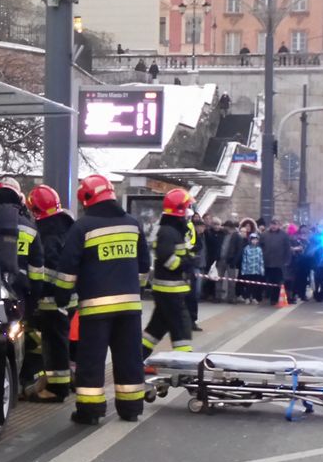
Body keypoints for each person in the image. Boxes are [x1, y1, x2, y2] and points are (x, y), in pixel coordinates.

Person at [51, 174, 151, 425]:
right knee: (129, 359)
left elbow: (67, 269)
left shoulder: (82, 227)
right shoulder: (132, 224)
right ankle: (131, 408)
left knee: (91, 362)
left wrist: (62, 297)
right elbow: (144, 265)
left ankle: (91, 411)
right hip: (130, 308)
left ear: (86, 197)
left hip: (96, 308)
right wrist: (132, 290)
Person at [0, 177, 44, 387]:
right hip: (18, 295)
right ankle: (19, 380)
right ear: (20, 199)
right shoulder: (30, 228)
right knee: (17, 337)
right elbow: (37, 271)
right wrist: (34, 301)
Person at [24, 184, 75, 402]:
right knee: (58, 342)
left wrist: (33, 289)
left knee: (55, 346)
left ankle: (57, 390)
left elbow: (48, 270)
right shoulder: (67, 226)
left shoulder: (47, 233)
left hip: (52, 300)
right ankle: (62, 382)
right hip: (69, 298)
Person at [141, 189, 196, 358]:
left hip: (170, 290)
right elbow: (168, 259)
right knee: (182, 328)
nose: (189, 213)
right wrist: (186, 264)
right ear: (179, 210)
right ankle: (185, 363)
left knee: (156, 329)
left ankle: (135, 359)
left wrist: (189, 258)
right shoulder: (168, 231)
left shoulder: (173, 230)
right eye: (187, 208)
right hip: (170, 291)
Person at [259, 216, 292, 304]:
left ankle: (274, 298)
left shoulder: (284, 235)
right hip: (267, 262)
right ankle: (267, 295)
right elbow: (260, 246)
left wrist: (287, 260)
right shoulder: (264, 234)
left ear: (279, 225)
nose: (273, 226)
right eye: (272, 224)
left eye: (275, 224)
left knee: (277, 281)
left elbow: (287, 249)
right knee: (267, 280)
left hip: (279, 263)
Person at [217, 219, 245, 303]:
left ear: (228, 227)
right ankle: (218, 297)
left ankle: (231, 297)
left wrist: (234, 262)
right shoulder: (223, 235)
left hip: (230, 261)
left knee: (231, 281)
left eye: (225, 226)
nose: (223, 228)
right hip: (221, 260)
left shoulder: (237, 236)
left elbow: (239, 251)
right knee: (218, 279)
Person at [240, 233, 266, 302]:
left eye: (256, 240)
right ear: (250, 240)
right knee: (248, 284)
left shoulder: (259, 249)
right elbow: (244, 260)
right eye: (253, 240)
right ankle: (247, 297)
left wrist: (262, 270)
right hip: (248, 270)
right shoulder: (246, 248)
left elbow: (261, 260)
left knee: (255, 285)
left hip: (256, 270)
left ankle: (254, 297)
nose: (254, 241)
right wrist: (243, 270)